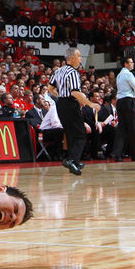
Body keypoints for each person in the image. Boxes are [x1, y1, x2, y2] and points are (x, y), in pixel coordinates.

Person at [48, 47, 91, 175]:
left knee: (70, 133)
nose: (80, 59)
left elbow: (50, 88)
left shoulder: (59, 71)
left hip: (60, 103)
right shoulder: (73, 72)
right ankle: (71, 160)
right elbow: (75, 92)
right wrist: (89, 103)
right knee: (80, 134)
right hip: (70, 103)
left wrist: (60, 94)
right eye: (79, 56)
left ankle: (75, 161)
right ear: (72, 58)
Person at [113, 56, 135, 161]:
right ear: (125, 64)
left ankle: (117, 154)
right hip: (128, 101)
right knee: (133, 128)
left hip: (120, 102)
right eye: (131, 62)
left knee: (121, 129)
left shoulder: (119, 75)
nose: (133, 64)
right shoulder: (128, 74)